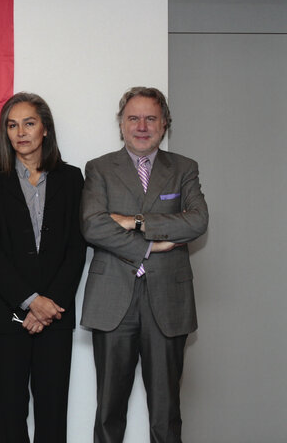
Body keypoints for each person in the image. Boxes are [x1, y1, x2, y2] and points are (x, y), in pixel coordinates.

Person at [80, 87, 208, 443]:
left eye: (150, 118)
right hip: (113, 300)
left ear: (164, 123)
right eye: (133, 118)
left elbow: (197, 221)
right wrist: (151, 246)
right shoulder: (99, 168)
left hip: (168, 301)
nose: (141, 126)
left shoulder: (184, 168)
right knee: (108, 412)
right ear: (121, 124)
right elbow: (93, 226)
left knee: (166, 414)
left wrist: (136, 222)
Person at [0, 92, 86, 443]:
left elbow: (76, 248)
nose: (20, 132)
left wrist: (46, 305)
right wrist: (29, 301)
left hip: (55, 313)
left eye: (29, 123)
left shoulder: (71, 178)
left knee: (53, 415)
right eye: (12, 125)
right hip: (6, 316)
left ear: (45, 130)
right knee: (11, 415)